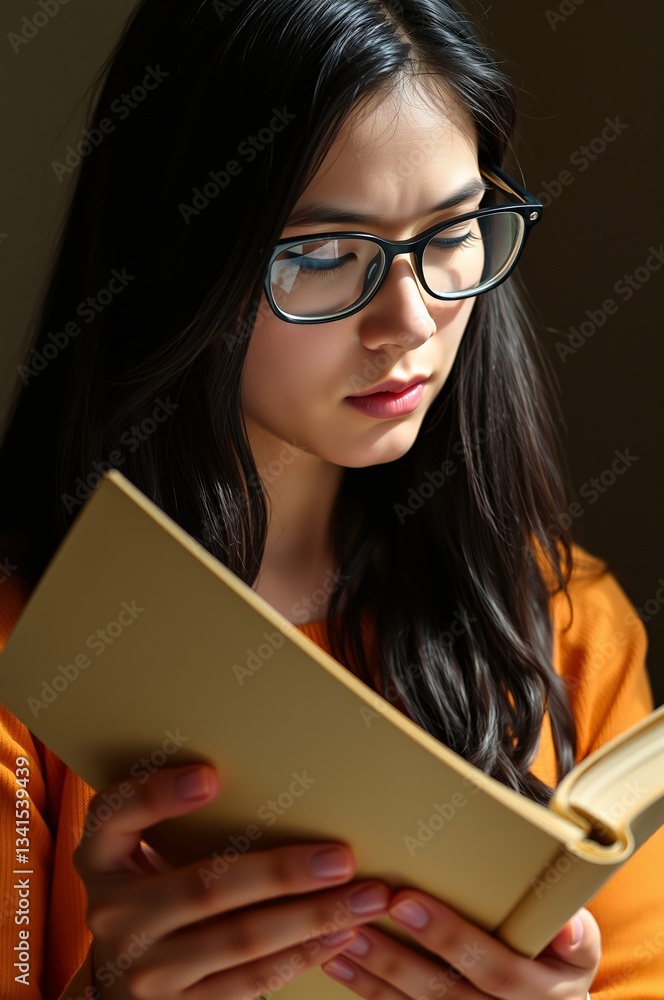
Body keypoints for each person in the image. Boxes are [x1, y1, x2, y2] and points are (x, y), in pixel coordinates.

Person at [0, 0, 662, 997]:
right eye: (318, 254)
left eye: (451, 232)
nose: (411, 319)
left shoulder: (566, 628)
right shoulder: (31, 647)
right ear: (179, 265)